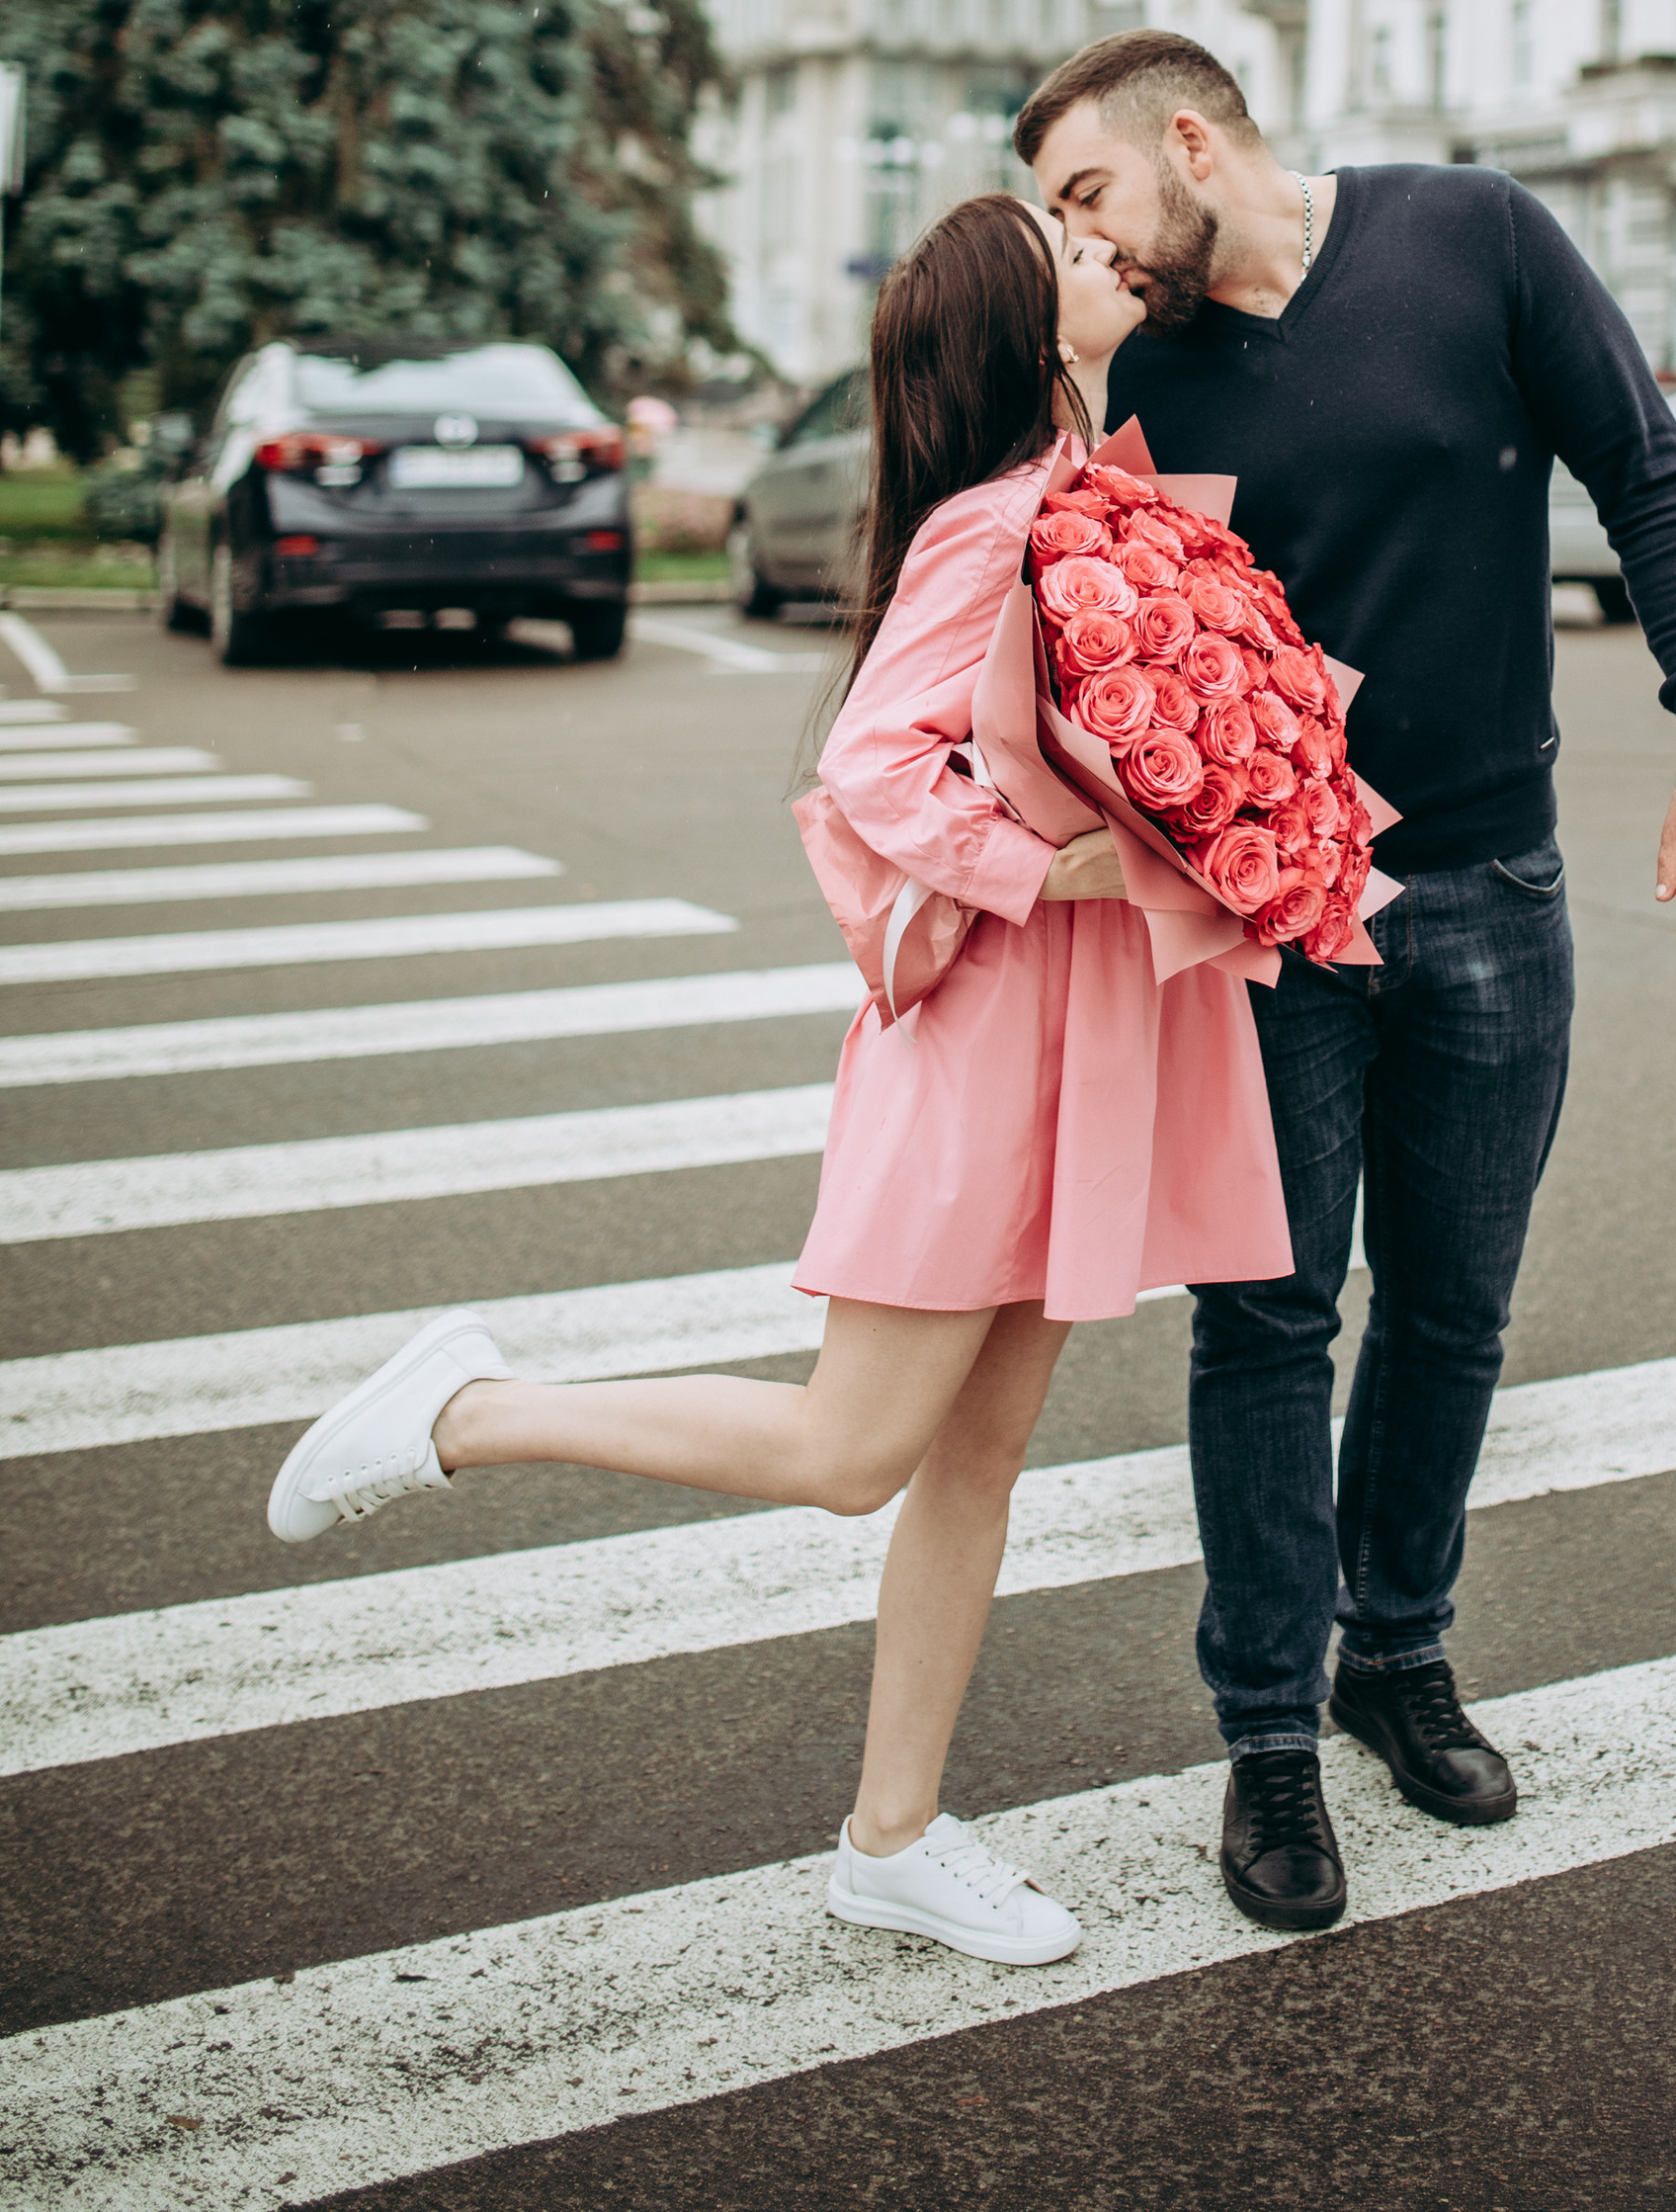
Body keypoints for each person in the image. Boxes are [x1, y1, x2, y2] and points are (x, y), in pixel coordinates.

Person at [262, 192, 1297, 1967]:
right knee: (851, 1453)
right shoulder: (996, 521)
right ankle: (464, 1411)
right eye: (1066, 242)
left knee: (983, 1456)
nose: (1105, 252)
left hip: (1079, 1033)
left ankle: (891, 1839)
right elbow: (880, 772)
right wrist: (1077, 862)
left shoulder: (1088, 491)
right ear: (1017, 321)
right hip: (989, 1037)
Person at [1021, 30, 1676, 1936]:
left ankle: (1399, 1653)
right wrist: (1070, 383)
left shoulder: (1476, 239)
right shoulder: (1131, 370)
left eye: (1089, 196)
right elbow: (1058, 612)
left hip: (1492, 885)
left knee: (1453, 1312)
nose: (1080, 243)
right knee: (1271, 1326)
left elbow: (1648, 477)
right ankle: (1271, 1737)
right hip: (1269, 922)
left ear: (1189, 143)